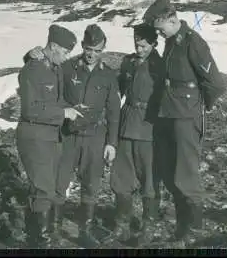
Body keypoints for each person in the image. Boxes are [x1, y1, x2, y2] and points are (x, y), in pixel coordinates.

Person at [26, 24, 121, 248]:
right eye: (88, 48)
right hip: (68, 135)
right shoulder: (68, 67)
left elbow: (114, 111)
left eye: (97, 50)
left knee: (91, 185)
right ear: (82, 46)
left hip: (95, 138)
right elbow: (42, 71)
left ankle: (84, 231)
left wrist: (112, 143)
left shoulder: (108, 75)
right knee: (60, 183)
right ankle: (54, 229)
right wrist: (29, 55)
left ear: (103, 50)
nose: (91, 54)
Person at [143, 0, 226, 247]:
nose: (157, 32)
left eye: (160, 28)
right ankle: (182, 225)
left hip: (186, 117)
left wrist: (202, 107)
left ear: (172, 20)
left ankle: (195, 229)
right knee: (171, 173)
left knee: (187, 174)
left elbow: (215, 83)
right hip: (169, 115)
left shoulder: (193, 43)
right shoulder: (172, 42)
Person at [16, 24, 83, 248]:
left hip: (50, 137)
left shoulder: (54, 68)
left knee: (48, 188)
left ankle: (39, 236)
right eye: (64, 52)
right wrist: (62, 113)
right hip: (35, 136)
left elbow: (54, 100)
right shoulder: (32, 70)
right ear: (53, 46)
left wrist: (72, 107)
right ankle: (40, 242)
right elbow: (30, 109)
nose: (65, 58)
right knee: (43, 188)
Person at [109, 23, 165, 246]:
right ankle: (121, 225)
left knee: (149, 181)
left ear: (153, 43)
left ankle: (148, 227)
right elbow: (119, 90)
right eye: (136, 44)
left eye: (143, 45)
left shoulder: (160, 66)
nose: (139, 49)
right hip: (126, 125)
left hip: (149, 129)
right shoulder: (128, 62)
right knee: (121, 178)